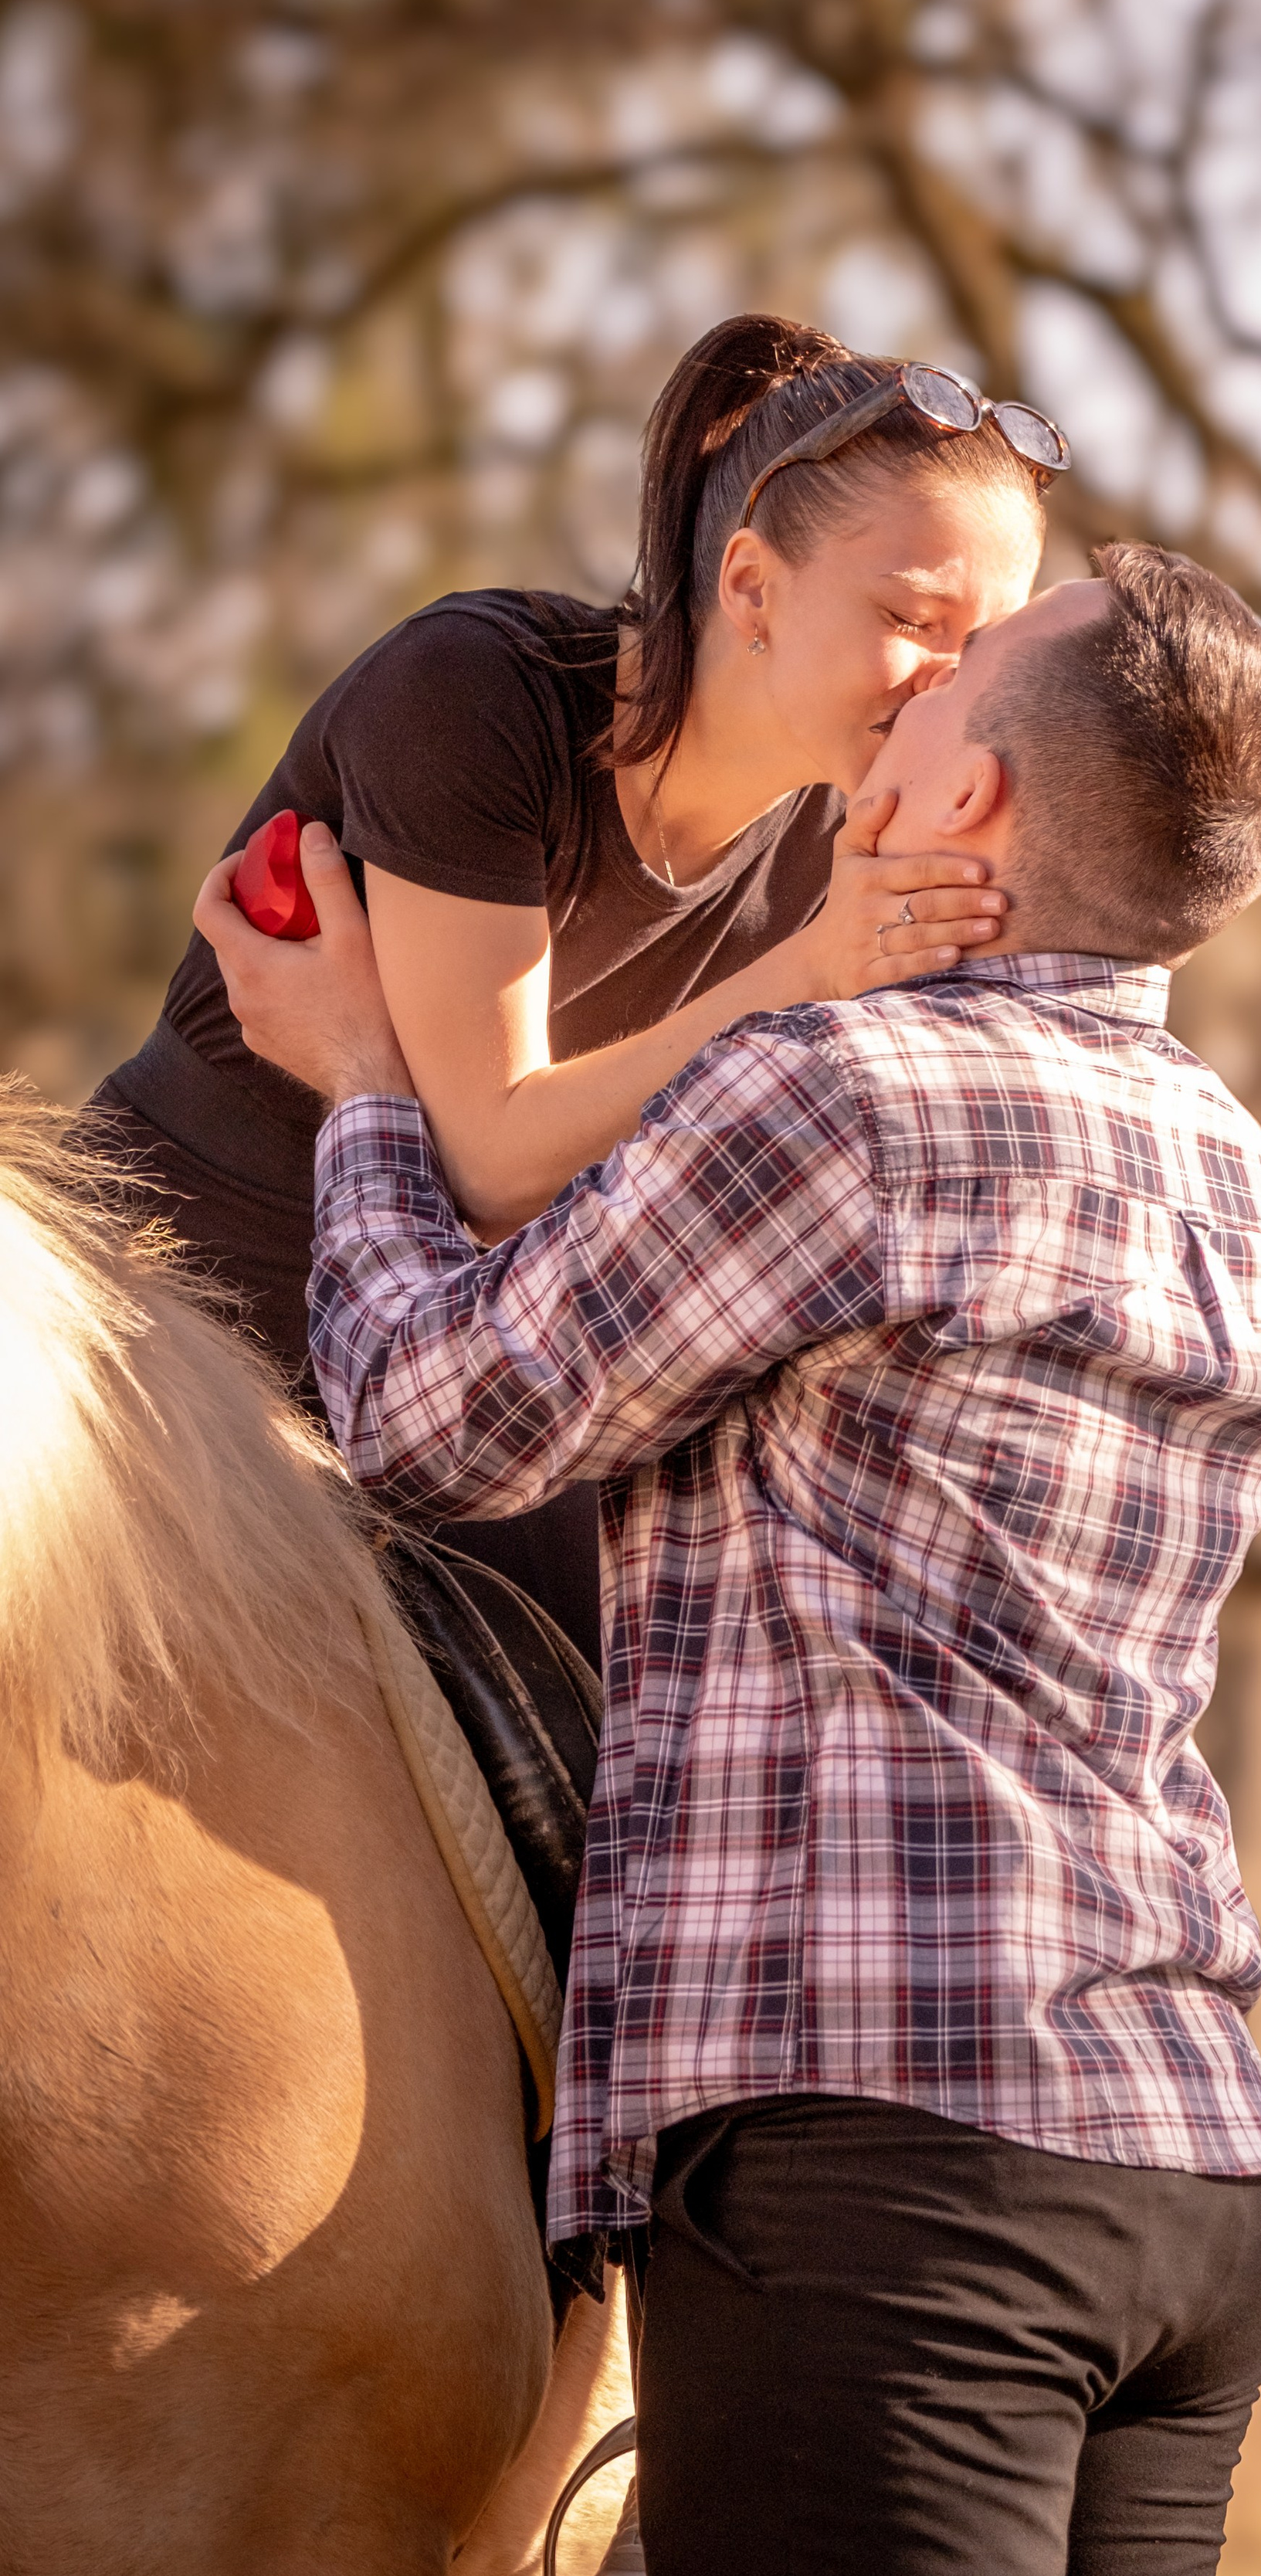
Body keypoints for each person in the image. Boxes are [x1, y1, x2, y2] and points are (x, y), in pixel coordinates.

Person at [198, 540, 1261, 2576]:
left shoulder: (852, 1094)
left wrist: (371, 1087)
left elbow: (435, 1417)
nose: (889, 711)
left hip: (889, 2166)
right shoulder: (1236, 1169)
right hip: (1188, 2163)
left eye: (939, 699)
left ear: (971, 807)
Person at [97, 314, 1061, 1661]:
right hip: (180, 1302)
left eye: (990, 649)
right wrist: (817, 970)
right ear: (751, 587)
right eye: (913, 620)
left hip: (462, 1385)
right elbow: (488, 1159)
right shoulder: (473, 697)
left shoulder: (827, 854)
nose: (950, 685)